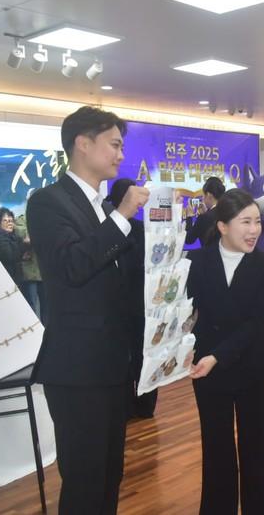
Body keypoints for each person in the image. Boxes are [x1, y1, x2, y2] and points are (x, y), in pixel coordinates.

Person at [26, 106, 150, 515]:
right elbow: (73, 266)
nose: (120, 155)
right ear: (83, 143)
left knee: (110, 476)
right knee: (84, 480)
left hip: (113, 365)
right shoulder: (48, 202)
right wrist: (122, 215)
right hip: (76, 369)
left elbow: (122, 285)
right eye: (114, 145)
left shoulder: (101, 208)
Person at [186, 188, 264, 515]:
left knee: (256, 449)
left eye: (257, 221)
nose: (254, 230)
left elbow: (256, 321)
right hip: (207, 369)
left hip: (253, 366)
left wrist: (217, 356)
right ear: (223, 226)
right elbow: (186, 314)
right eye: (245, 222)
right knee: (216, 449)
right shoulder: (196, 262)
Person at [104, 177, 158, 419]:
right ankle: (145, 406)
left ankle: (127, 407)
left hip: (121, 304)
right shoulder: (139, 228)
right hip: (141, 302)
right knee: (143, 355)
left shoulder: (106, 229)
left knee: (126, 357)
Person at [13, 211, 47, 326]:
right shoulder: (23, 218)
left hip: (45, 272)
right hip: (29, 272)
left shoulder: (47, 216)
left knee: (47, 306)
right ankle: (33, 330)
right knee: (31, 305)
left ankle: (47, 331)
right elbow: (21, 233)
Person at [0, 207, 28, 285]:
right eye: (6, 221)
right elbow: (10, 257)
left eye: (11, 221)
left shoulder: (13, 236)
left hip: (17, 279)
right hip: (4, 280)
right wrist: (25, 243)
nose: (10, 223)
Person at [185, 176, 225, 247]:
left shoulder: (204, 218)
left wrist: (189, 216)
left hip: (209, 253)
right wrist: (206, 212)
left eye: (203, 195)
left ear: (208, 195)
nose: (202, 198)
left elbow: (188, 239)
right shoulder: (229, 212)